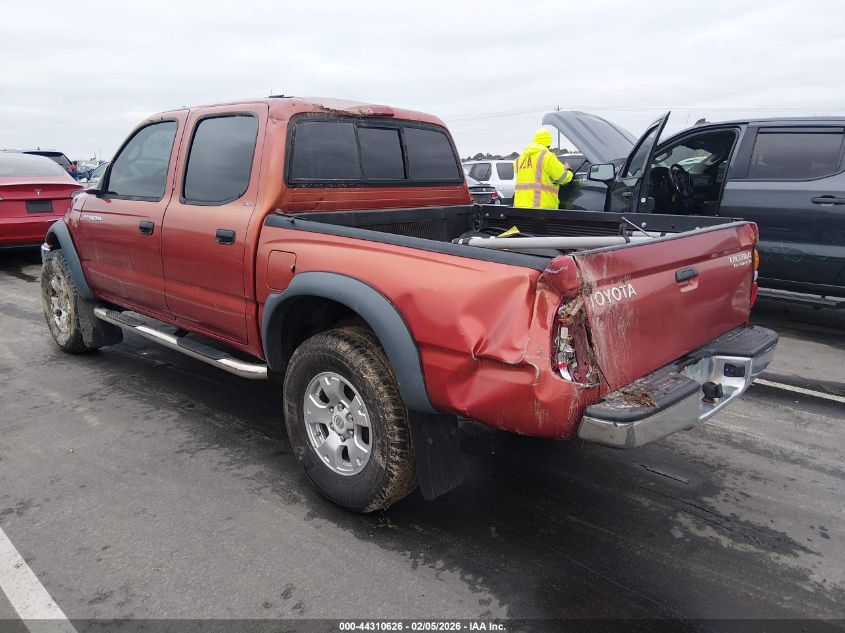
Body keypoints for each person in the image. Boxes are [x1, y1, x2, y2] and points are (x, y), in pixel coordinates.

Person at [513, 129, 573, 209]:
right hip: (541, 208)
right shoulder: (547, 157)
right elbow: (562, 177)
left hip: (520, 207)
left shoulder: (519, 160)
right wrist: (569, 170)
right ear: (549, 143)